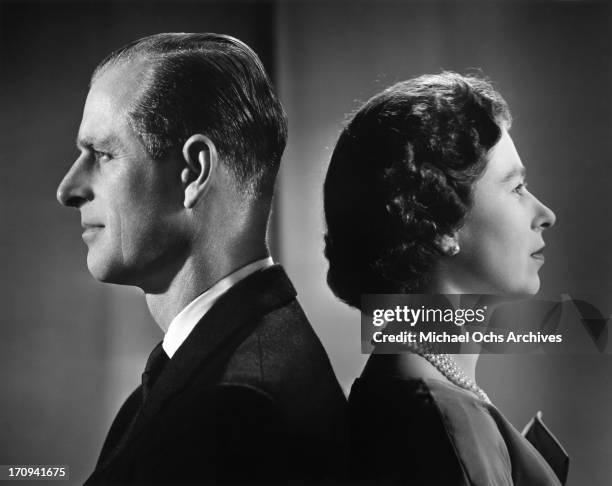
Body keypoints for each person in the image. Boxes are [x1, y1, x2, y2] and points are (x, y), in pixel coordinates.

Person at [57, 33, 347, 485]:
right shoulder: (231, 363)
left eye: (103, 154)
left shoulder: (227, 410)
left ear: (193, 171)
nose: (69, 189)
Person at [324, 72, 566, 485]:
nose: (545, 214)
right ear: (440, 224)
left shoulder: (414, 392)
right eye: (517, 188)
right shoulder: (443, 423)